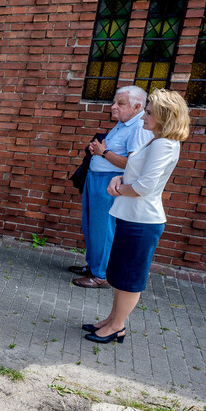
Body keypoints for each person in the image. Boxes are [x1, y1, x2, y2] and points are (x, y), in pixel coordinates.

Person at [84, 89, 190, 345]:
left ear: (164, 116)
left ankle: (117, 326)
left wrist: (119, 188)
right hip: (131, 216)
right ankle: (111, 320)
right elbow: (135, 172)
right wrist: (120, 179)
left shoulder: (165, 144)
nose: (144, 116)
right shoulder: (154, 140)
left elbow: (146, 187)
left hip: (143, 221)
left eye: (149, 112)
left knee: (130, 277)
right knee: (119, 273)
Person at [72, 86, 152, 289]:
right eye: (114, 102)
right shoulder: (124, 123)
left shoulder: (139, 128)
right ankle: (93, 266)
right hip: (96, 179)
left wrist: (104, 152)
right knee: (92, 226)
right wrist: (97, 150)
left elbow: (134, 164)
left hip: (109, 183)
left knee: (103, 228)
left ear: (137, 106)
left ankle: (101, 275)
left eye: (120, 103)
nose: (113, 106)